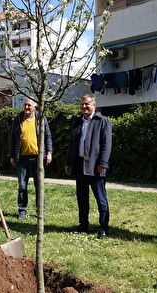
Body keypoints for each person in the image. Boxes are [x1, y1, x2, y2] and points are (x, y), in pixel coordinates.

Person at [65, 95, 112, 240]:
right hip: (79, 166)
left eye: (87, 104)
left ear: (94, 105)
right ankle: (83, 226)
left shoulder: (102, 121)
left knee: (101, 200)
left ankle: (103, 228)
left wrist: (103, 164)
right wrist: (68, 162)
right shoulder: (78, 121)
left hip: (95, 167)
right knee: (82, 199)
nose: (84, 107)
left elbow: (106, 145)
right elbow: (72, 144)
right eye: (82, 105)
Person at [9, 98, 52, 220]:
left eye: (29, 105)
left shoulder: (41, 118)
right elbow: (12, 138)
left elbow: (48, 136)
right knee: (22, 186)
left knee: (39, 185)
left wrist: (49, 153)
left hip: (38, 158)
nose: (27, 107)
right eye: (25, 105)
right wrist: (12, 155)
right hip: (22, 158)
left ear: (35, 106)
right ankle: (22, 210)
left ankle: (40, 211)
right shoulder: (18, 119)